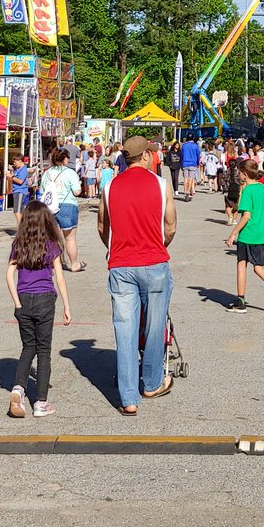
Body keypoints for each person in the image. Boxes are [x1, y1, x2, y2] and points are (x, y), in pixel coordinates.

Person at [97, 134, 177, 415]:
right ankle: (152, 382)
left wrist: (113, 246)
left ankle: (129, 397)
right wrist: (159, 244)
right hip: (154, 261)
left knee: (125, 329)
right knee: (154, 327)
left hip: (121, 264)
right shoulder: (161, 184)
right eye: (151, 153)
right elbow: (171, 226)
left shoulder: (109, 186)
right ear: (145, 156)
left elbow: (102, 226)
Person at [6, 202, 72, 419]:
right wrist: (66, 305)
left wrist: (16, 303)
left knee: (28, 347)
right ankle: (41, 403)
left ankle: (18, 389)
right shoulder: (51, 245)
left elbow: (9, 275)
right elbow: (60, 278)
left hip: (23, 300)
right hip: (45, 300)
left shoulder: (19, 244)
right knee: (43, 351)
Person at [225, 159, 264, 315]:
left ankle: (241, 301)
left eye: (240, 172)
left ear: (245, 174)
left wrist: (233, 233)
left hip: (249, 234)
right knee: (258, 268)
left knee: (242, 264)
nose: (239, 175)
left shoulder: (248, 190)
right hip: (262, 233)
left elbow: (246, 215)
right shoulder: (261, 187)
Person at [42, 149, 86, 272]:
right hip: (68, 205)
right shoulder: (70, 173)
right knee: (70, 238)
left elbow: (42, 190)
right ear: (65, 159)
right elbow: (77, 192)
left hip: (50, 207)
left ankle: (56, 262)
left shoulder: (47, 173)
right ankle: (74, 264)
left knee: (54, 237)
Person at [8, 154, 30, 225]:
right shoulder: (18, 169)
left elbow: (20, 181)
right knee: (20, 210)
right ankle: (24, 227)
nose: (14, 164)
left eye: (15, 162)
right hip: (16, 190)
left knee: (17, 211)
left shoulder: (23, 170)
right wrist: (11, 171)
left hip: (20, 191)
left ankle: (21, 229)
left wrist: (11, 176)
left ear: (20, 161)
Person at [224, 146, 242, 225]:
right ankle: (234, 219)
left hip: (229, 190)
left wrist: (224, 188)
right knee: (236, 205)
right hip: (237, 189)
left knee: (228, 205)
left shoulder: (226, 171)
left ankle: (230, 216)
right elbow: (241, 180)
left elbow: (223, 180)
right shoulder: (238, 172)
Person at [180, 136, 201, 201]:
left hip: (185, 162)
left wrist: (181, 163)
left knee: (185, 178)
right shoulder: (195, 146)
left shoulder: (184, 145)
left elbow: (182, 154)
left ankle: (185, 192)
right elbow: (198, 155)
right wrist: (198, 163)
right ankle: (188, 192)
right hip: (193, 163)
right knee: (191, 178)